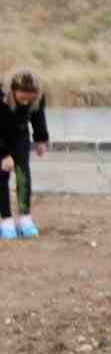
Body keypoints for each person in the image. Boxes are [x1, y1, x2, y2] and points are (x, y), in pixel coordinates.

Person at [0, 68, 50, 241]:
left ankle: (24, 218)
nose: (26, 101)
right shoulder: (2, 96)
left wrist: (41, 139)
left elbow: (37, 116)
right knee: (2, 176)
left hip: (20, 135)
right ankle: (5, 220)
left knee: (23, 175)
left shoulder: (37, 97)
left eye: (31, 97)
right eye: (23, 97)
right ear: (14, 90)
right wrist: (4, 154)